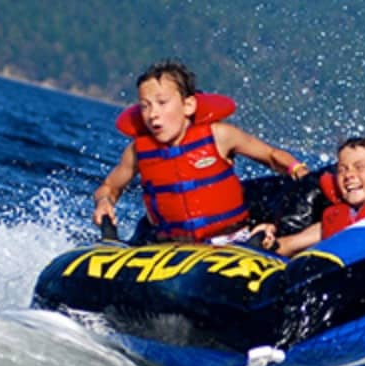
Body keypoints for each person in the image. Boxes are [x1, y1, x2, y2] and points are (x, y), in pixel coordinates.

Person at [92, 59, 309, 243]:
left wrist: (296, 169)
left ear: (188, 106)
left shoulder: (219, 136)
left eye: (162, 103)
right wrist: (104, 202)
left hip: (231, 240)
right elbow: (109, 187)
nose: (152, 114)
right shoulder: (138, 151)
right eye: (145, 106)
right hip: (171, 247)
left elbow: (271, 156)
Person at [254, 137, 365, 257]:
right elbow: (289, 245)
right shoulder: (332, 219)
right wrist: (267, 241)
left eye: (359, 167)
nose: (349, 175)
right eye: (342, 170)